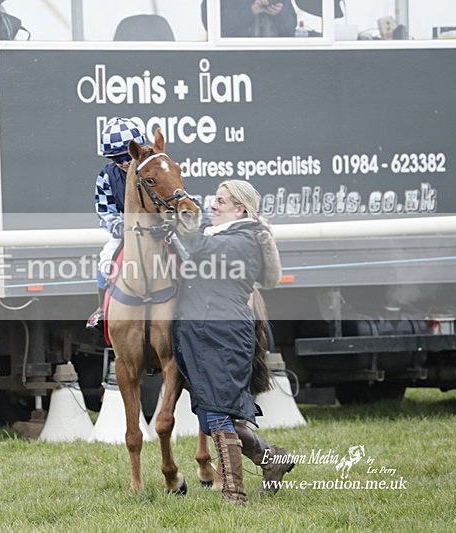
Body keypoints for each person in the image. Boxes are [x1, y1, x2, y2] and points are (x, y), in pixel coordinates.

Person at [172, 179, 294, 504]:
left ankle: (234, 494)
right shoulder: (227, 235)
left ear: (240, 209)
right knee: (212, 417)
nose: (213, 205)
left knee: (218, 414)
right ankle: (272, 458)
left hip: (223, 335)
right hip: (201, 335)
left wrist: (183, 218)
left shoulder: (245, 239)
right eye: (214, 199)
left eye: (221, 201)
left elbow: (199, 248)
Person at [85, 117, 146, 331]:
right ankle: (103, 310)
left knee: (185, 253)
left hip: (157, 229)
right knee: (104, 261)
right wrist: (124, 228)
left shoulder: (152, 167)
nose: (124, 162)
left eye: (126, 155)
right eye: (116, 157)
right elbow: (106, 213)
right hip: (126, 231)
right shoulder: (105, 177)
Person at [201, 0, 298, 38]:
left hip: (274, 59)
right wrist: (250, 11)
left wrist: (279, 13)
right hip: (234, 59)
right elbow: (212, 24)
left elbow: (290, 30)